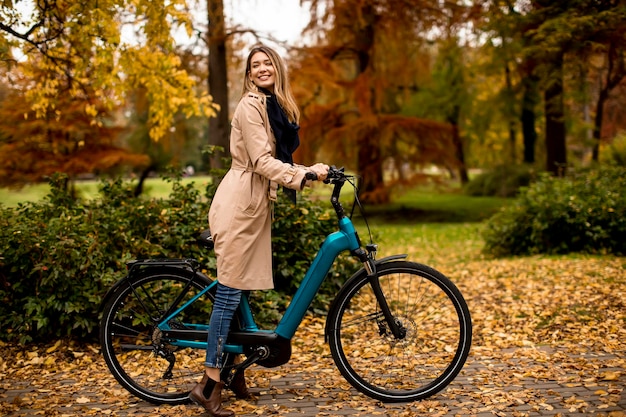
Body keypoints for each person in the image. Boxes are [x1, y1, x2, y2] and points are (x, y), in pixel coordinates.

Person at [188, 45, 329, 416]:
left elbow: (277, 157)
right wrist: (304, 174)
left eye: (268, 63)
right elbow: (263, 161)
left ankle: (233, 374)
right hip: (239, 208)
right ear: (249, 76)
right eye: (256, 65)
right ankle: (209, 384)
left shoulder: (273, 106)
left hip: (252, 208)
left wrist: (305, 167)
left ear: (277, 69)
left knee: (236, 289)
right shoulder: (250, 107)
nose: (263, 69)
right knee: (229, 294)